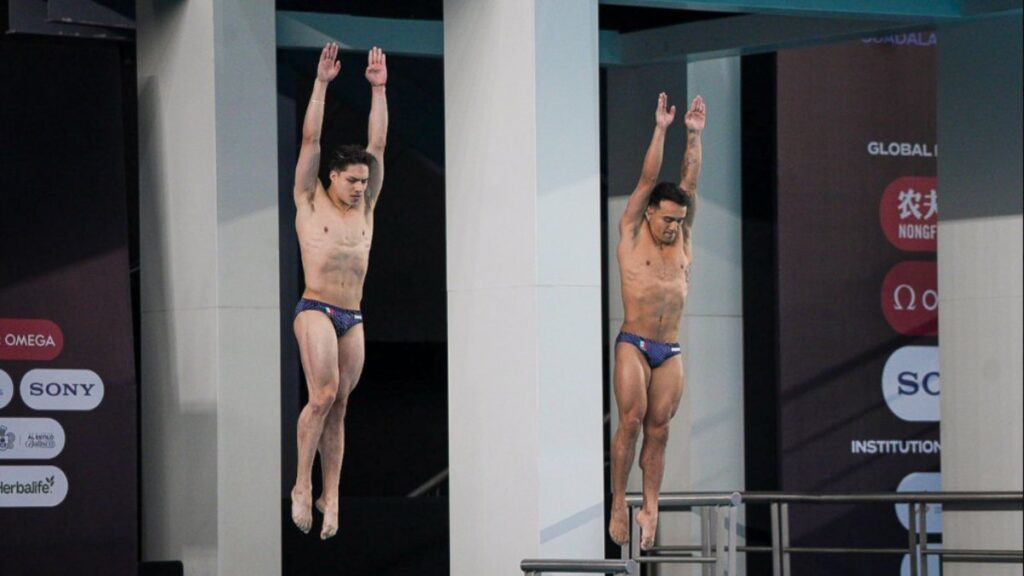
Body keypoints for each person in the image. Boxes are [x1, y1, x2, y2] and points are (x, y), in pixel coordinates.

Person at [290, 42, 388, 540]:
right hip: (315, 309)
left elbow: (379, 144)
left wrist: (379, 90)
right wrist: (322, 84)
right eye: (352, 181)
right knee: (322, 393)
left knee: (342, 404)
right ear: (333, 176)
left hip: (353, 315)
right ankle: (302, 485)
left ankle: (332, 494)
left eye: (364, 182)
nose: (359, 188)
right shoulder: (310, 201)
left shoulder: (365, 209)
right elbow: (310, 141)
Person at [608, 92, 705, 550]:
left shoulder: (681, 237)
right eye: (667, 219)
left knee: (660, 429)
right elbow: (650, 177)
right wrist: (662, 128)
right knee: (631, 420)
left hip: (670, 349)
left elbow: (690, 180)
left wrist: (694, 134)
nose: (672, 226)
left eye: (678, 220)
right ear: (649, 212)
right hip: (634, 343)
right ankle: (616, 502)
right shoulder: (632, 229)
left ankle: (649, 505)